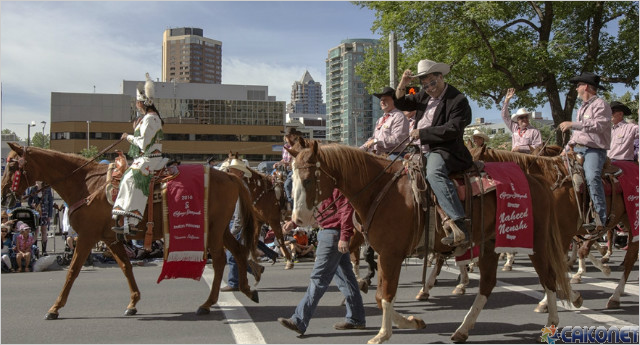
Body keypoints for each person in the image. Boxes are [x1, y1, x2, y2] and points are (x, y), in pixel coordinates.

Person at [395, 58, 473, 247]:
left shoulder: (458, 100)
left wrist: (422, 133)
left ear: (441, 77)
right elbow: (402, 103)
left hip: (446, 149)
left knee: (434, 173)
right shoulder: (422, 95)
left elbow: (453, 129)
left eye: (432, 82)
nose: (429, 87)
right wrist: (403, 84)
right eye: (425, 84)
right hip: (421, 150)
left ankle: (460, 224)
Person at [277, 188, 365, 335]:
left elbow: (346, 210)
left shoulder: (334, 187)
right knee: (346, 279)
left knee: (318, 279)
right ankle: (356, 318)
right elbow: (313, 210)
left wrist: (344, 236)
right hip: (330, 233)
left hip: (331, 234)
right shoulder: (325, 185)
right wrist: (294, 222)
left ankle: (299, 320)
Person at [559, 72, 612, 235]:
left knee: (591, 176)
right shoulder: (582, 107)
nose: (576, 89)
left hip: (595, 150)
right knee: (558, 173)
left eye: (578, 85)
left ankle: (600, 217)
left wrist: (573, 124)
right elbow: (578, 134)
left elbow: (599, 125)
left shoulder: (601, 105)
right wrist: (566, 148)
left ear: (586, 86)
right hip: (578, 147)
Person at [112, 73, 165, 235]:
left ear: (143, 103)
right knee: (127, 176)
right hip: (145, 157)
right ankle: (123, 216)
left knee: (133, 178)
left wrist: (127, 137)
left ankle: (133, 221)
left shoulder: (150, 119)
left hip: (150, 159)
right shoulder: (148, 118)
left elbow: (143, 142)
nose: (136, 104)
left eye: (137, 102)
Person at [221, 159, 265, 291]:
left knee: (232, 254)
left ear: (239, 173)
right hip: (237, 223)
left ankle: (234, 282)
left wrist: (234, 230)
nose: (228, 171)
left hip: (238, 223)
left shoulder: (238, 186)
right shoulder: (238, 184)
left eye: (231, 169)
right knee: (236, 254)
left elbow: (240, 212)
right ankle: (254, 269)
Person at [360, 86, 410, 159]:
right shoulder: (380, 119)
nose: (382, 102)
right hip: (379, 155)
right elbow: (373, 139)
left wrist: (376, 141)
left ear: (394, 101)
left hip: (395, 154)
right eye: (381, 100)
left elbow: (397, 139)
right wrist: (358, 150)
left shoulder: (399, 117)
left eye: (385, 99)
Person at [501, 88, 543, 153]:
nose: (525, 119)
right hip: (515, 158)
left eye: (526, 117)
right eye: (522, 117)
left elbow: (538, 146)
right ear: (517, 120)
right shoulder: (514, 127)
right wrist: (507, 100)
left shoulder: (534, 131)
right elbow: (504, 116)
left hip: (528, 160)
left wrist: (520, 148)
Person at [275, 127, 303, 211]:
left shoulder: (298, 146)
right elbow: (284, 159)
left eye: (289, 136)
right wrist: (278, 163)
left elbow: (299, 159)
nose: (287, 138)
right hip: (284, 170)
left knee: (287, 185)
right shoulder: (285, 147)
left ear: (294, 136)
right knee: (272, 180)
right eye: (286, 136)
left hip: (294, 170)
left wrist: (288, 164)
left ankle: (293, 206)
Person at [27, 181, 53, 256]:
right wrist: (32, 205)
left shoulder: (47, 188)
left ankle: (44, 250)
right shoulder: (33, 189)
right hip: (36, 212)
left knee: (44, 230)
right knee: (36, 230)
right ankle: (35, 250)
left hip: (45, 211)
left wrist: (50, 215)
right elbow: (29, 201)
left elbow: (50, 202)